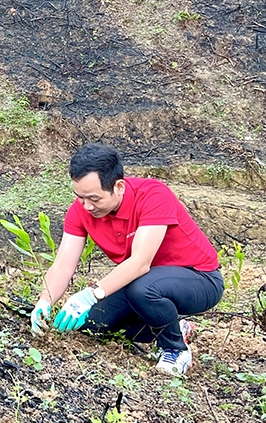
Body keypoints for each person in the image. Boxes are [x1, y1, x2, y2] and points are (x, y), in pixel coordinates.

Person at [30, 143, 224, 375]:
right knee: (93, 323)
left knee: (143, 289)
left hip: (199, 279)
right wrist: (45, 301)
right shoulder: (81, 210)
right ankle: (172, 326)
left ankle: (175, 350)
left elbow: (140, 262)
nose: (87, 206)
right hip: (145, 281)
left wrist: (89, 294)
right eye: (80, 197)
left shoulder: (153, 195)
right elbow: (63, 265)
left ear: (119, 186)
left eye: (94, 198)